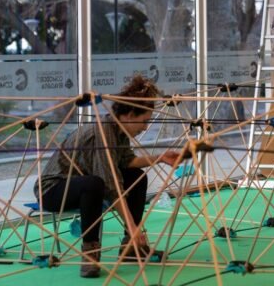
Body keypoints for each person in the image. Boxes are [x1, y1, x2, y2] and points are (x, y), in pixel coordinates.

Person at [35, 75, 186, 278]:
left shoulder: (118, 130)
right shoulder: (103, 132)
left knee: (137, 177)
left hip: (84, 184)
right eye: (145, 121)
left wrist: (160, 157)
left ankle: (130, 249)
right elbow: (110, 184)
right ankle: (90, 252)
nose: (146, 127)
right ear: (130, 114)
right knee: (94, 184)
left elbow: (127, 162)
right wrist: (133, 227)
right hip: (53, 189)